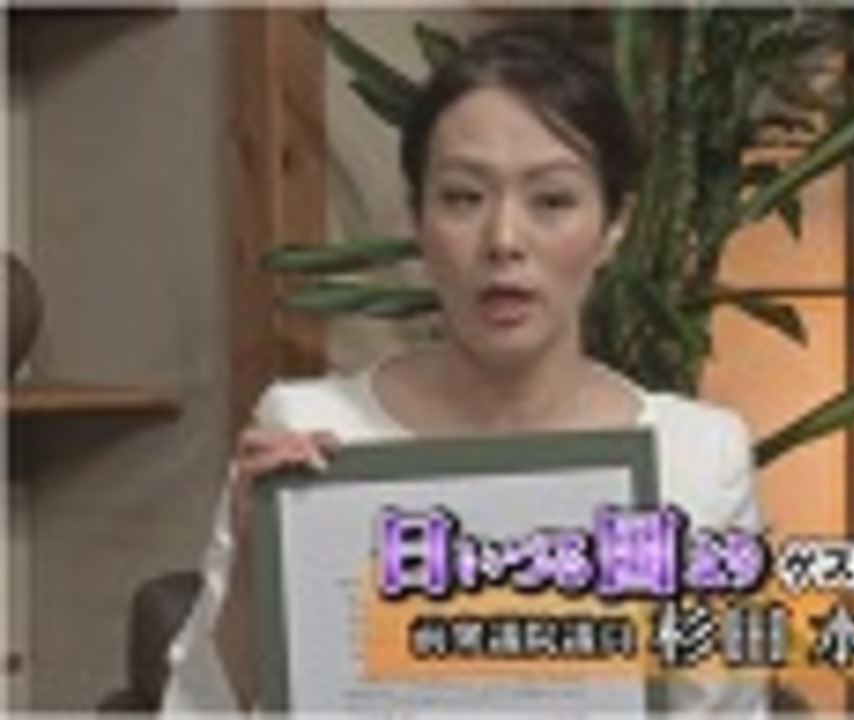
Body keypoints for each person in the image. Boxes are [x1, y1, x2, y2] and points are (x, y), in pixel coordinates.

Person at [161, 25, 766, 715]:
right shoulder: (312, 435)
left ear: (614, 226)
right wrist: (254, 562)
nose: (504, 240)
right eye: (462, 198)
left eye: (552, 201)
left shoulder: (696, 455)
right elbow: (194, 709)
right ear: (418, 219)